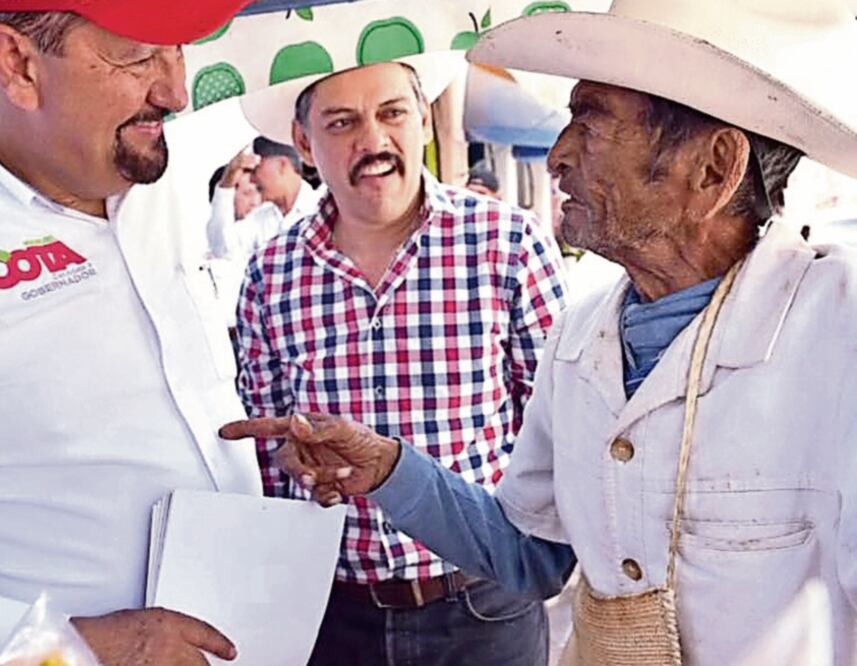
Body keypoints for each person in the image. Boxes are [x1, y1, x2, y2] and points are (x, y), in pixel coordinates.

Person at [222, 1, 857, 664]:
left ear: (713, 168)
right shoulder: (584, 336)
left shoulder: (836, 332)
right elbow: (530, 550)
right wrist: (388, 468)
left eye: (592, 122)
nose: (557, 156)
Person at [0, 1, 260, 664]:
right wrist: (66, 647)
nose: (175, 92)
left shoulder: (155, 165)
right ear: (17, 64)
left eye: (179, 49)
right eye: (138, 55)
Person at [234, 57, 572, 665]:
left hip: (484, 606)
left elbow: (562, 428)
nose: (373, 141)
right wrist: (292, 462)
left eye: (391, 113)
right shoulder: (270, 274)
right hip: (333, 615)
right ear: (304, 143)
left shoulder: (507, 243)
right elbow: (266, 447)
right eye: (342, 123)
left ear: (422, 119)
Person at [206, 136, 318, 262]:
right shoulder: (261, 218)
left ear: (281, 165)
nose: (252, 179)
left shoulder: (321, 208)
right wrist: (227, 182)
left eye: (256, 169)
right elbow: (222, 249)